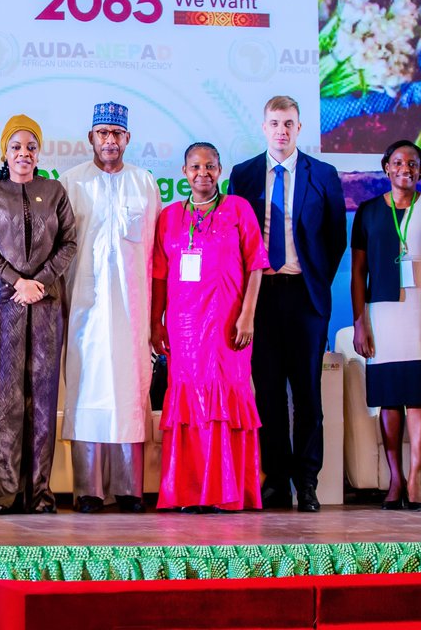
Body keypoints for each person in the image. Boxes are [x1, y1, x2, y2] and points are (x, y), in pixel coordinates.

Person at [229, 95, 346, 512]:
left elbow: (335, 239)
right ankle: (276, 479)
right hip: (259, 298)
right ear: (263, 127)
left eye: (289, 123)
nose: (282, 130)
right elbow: (234, 240)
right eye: (275, 123)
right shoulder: (242, 176)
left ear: (300, 128)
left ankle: (307, 482)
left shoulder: (325, 174)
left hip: (305, 296)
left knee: (308, 395)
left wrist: (314, 283)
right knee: (268, 395)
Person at [150, 142, 266, 512]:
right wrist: (156, 322)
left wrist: (248, 314)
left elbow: (256, 265)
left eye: (211, 166)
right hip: (184, 328)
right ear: (184, 172)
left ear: (221, 170)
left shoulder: (238, 209)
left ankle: (225, 493)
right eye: (196, 167)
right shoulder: (169, 217)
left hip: (229, 325)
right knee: (189, 403)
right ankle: (188, 492)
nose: (204, 173)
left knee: (226, 402)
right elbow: (158, 275)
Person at [0, 114, 77, 514]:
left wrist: (42, 281)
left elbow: (68, 241)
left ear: (39, 151)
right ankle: (4, 494)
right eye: (16, 146)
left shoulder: (54, 191)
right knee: (2, 398)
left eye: (30, 146)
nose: (24, 153)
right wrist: (17, 281)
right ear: (4, 150)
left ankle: (40, 494)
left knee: (44, 397)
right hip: (2, 304)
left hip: (47, 306)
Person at [61, 101, 160, 514]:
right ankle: (88, 490)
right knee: (87, 390)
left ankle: (130, 489)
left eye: (117, 134)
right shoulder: (70, 183)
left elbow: (156, 254)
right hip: (84, 309)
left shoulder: (145, 183)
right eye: (102, 133)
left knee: (128, 392)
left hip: (132, 312)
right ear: (91, 138)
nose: (109, 141)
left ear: (127, 139)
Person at [350, 140, 421, 512]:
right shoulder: (367, 212)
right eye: (397, 162)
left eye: (412, 163)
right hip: (382, 315)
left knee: (417, 396)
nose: (405, 169)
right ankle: (395, 479)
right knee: (390, 398)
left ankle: (415, 479)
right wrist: (360, 322)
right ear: (386, 167)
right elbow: (358, 272)